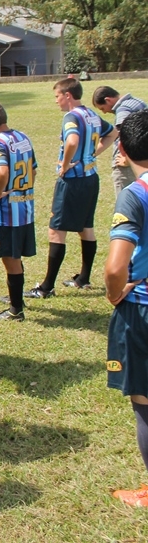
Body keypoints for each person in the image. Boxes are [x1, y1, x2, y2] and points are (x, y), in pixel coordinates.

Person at [27, 77, 117, 298]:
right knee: (86, 227)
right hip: (91, 178)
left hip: (73, 181)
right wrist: (92, 154)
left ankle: (46, 287)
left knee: (56, 230)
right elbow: (113, 133)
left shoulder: (71, 117)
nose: (56, 100)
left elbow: (72, 141)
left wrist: (65, 165)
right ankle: (83, 278)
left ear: (67, 95)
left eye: (57, 96)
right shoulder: (91, 114)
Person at [103, 110, 148, 508]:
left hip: (142, 310)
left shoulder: (135, 194)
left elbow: (116, 267)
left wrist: (115, 294)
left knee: (145, 402)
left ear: (123, 149)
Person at [0, 103, 38, 322]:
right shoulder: (23, 137)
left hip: (8, 213)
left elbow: (1, 171)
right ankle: (17, 298)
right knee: (15, 255)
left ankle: (15, 310)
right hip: (25, 207)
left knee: (10, 259)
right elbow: (33, 169)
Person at [93, 85, 148, 196]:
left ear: (108, 100)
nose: (104, 112)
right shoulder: (137, 102)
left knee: (126, 199)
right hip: (143, 158)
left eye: (102, 108)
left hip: (126, 167)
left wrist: (126, 159)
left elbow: (124, 136)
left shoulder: (123, 110)